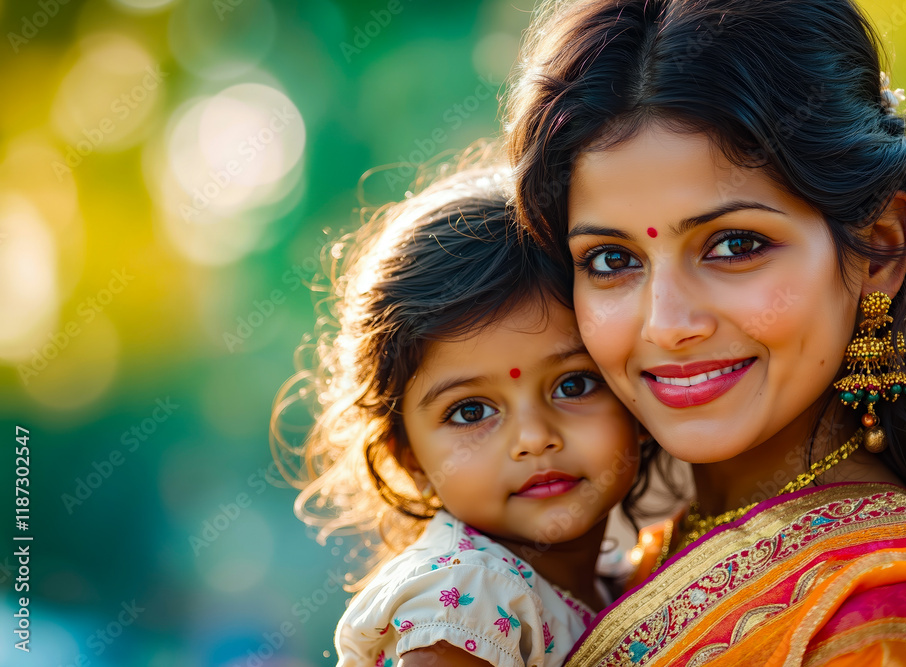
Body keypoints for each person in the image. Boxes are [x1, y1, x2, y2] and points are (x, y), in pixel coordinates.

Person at [503, 0, 906, 664]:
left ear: (878, 251)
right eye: (612, 259)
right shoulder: (634, 557)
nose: (667, 324)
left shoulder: (886, 616)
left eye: (735, 244)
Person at [272, 161, 646, 666]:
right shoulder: (469, 595)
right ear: (407, 456)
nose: (534, 438)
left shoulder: (618, 575)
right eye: (471, 411)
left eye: (573, 385)